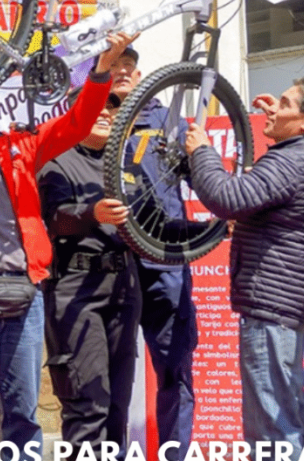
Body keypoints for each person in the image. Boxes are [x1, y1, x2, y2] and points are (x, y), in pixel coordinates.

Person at [0, 32, 136, 459]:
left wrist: (103, 71)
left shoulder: (21, 146)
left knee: (24, 412)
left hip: (26, 291)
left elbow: (76, 122)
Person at [185, 77, 304, 459]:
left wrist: (202, 152)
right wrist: (281, 111)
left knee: (272, 426)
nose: (271, 109)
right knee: (280, 416)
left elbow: (228, 197)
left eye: (285, 104)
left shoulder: (294, 158)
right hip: (281, 304)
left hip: (271, 306)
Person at [37, 91, 141, 460]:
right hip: (76, 290)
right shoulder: (56, 162)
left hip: (124, 289)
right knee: (87, 405)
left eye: (112, 106)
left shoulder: (127, 166)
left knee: (118, 407)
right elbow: (55, 219)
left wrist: (209, 230)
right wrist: (91, 213)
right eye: (95, 104)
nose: (105, 111)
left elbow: (155, 225)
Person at [108, 46, 196, 459]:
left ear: (140, 74)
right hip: (113, 261)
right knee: (108, 375)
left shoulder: (167, 119)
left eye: (129, 67)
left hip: (164, 260)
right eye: (114, 67)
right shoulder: (91, 120)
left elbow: (200, 174)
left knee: (174, 370)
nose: (122, 73)